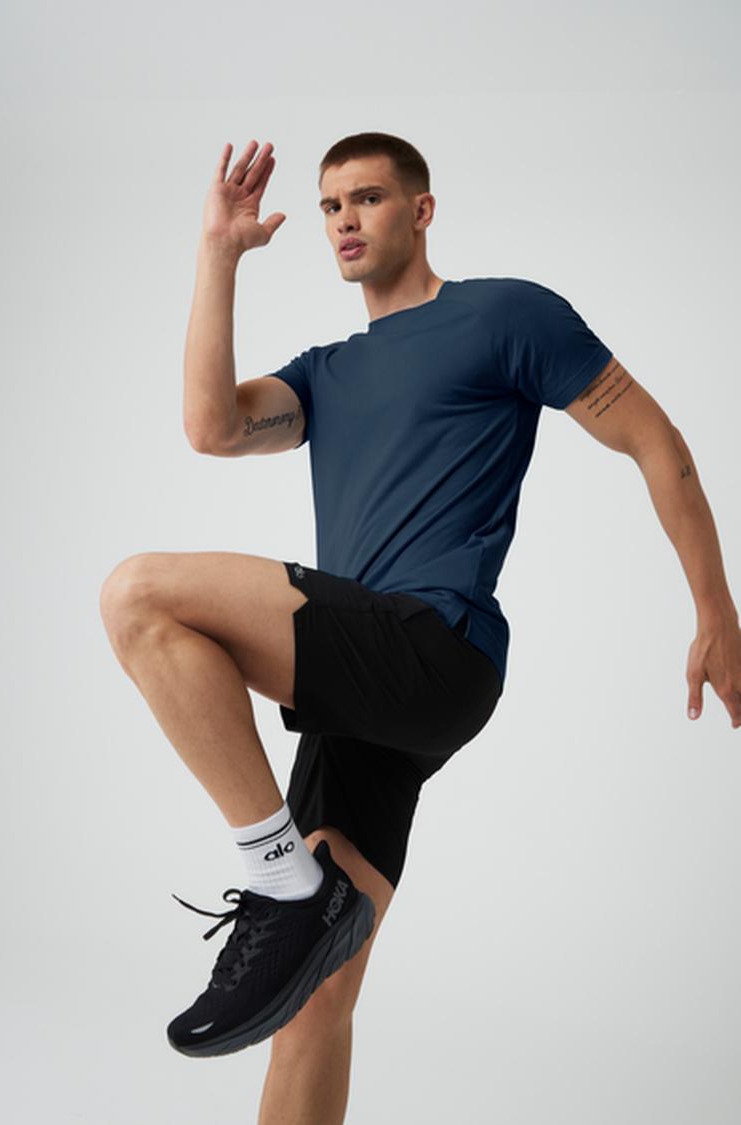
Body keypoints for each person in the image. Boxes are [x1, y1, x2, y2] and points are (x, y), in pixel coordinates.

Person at [100, 131, 741, 1123]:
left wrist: (715, 610)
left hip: (434, 646)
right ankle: (298, 896)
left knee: (139, 593)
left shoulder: (505, 316)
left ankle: (280, 876)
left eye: (367, 198)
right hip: (361, 693)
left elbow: (656, 441)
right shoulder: (325, 374)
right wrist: (220, 253)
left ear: (421, 209)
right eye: (330, 206)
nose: (344, 220)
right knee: (312, 1004)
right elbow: (211, 426)